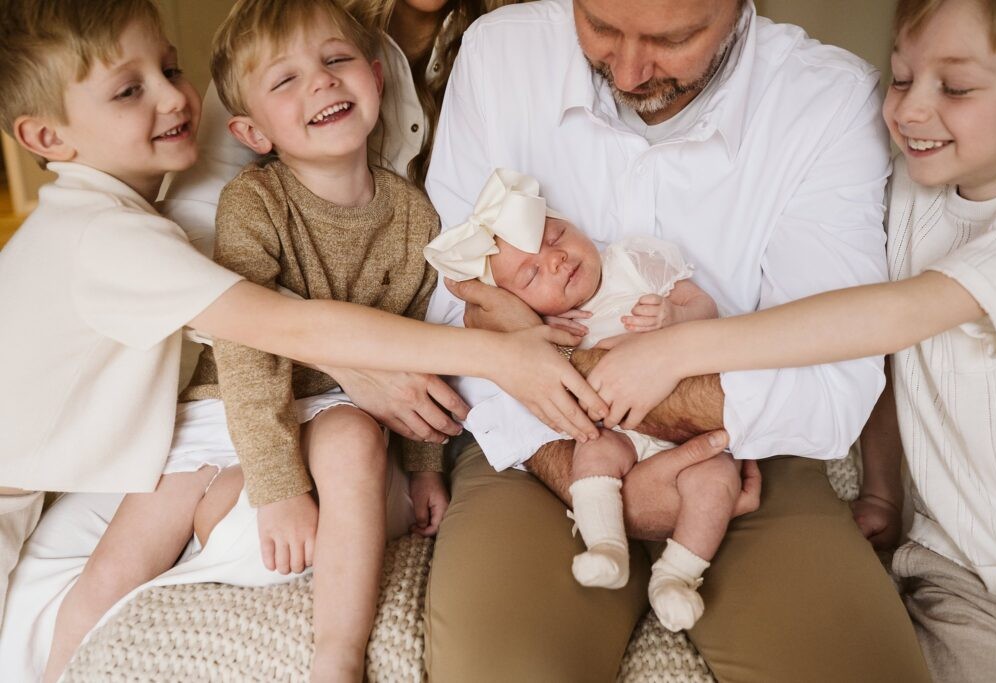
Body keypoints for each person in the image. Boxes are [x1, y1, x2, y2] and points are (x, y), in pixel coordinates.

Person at [0, 1, 603, 679]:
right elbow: (282, 326)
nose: (175, 95)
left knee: (136, 540)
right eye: (130, 89)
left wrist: (423, 457)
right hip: (13, 506)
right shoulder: (106, 238)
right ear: (47, 138)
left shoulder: (116, 218)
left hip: (60, 475)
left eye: (170, 67)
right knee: (75, 609)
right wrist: (496, 353)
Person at [420, 0, 933, 680]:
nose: (629, 71)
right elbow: (453, 321)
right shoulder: (498, 57)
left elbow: (831, 383)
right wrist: (583, 475)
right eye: (600, 27)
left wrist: (585, 383)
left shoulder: (829, 103)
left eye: (675, 38)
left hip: (745, 464)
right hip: (536, 447)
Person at [586, 0, 996, 679]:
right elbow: (892, 361)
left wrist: (675, 350)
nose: (909, 110)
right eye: (903, 78)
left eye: (957, 88)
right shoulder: (916, 185)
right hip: (956, 567)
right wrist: (880, 491)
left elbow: (886, 317)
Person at [174, 0, 453, 679]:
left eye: (336, 61)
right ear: (251, 130)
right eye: (286, 81)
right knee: (144, 509)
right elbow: (245, 346)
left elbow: (415, 340)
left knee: (354, 436)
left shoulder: (415, 215)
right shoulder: (254, 202)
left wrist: (422, 465)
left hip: (339, 404)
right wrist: (277, 487)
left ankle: (337, 654)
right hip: (239, 398)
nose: (322, 83)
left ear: (377, 81)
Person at [425, 168, 754, 632]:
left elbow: (703, 307)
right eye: (532, 273)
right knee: (593, 452)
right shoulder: (545, 331)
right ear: (520, 304)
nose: (556, 260)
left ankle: (677, 576)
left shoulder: (634, 260)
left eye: (555, 235)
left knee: (718, 476)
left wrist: (673, 316)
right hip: (615, 436)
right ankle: (606, 546)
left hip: (687, 430)